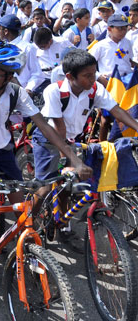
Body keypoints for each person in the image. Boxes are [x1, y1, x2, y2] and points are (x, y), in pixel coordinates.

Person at [0, 41, 92, 270]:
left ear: (8, 77)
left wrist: (75, 160)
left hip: (3, 149)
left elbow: (45, 127)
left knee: (21, 205)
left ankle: (25, 245)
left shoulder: (16, 93)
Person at [33, 49, 138, 246]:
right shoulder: (54, 91)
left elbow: (117, 111)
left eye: (94, 73)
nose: (93, 79)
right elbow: (58, 130)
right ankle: (30, 222)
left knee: (67, 185)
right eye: (87, 76)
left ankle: (63, 225)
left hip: (71, 140)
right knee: (45, 188)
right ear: (70, 76)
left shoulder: (94, 89)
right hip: (49, 140)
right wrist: (74, 160)